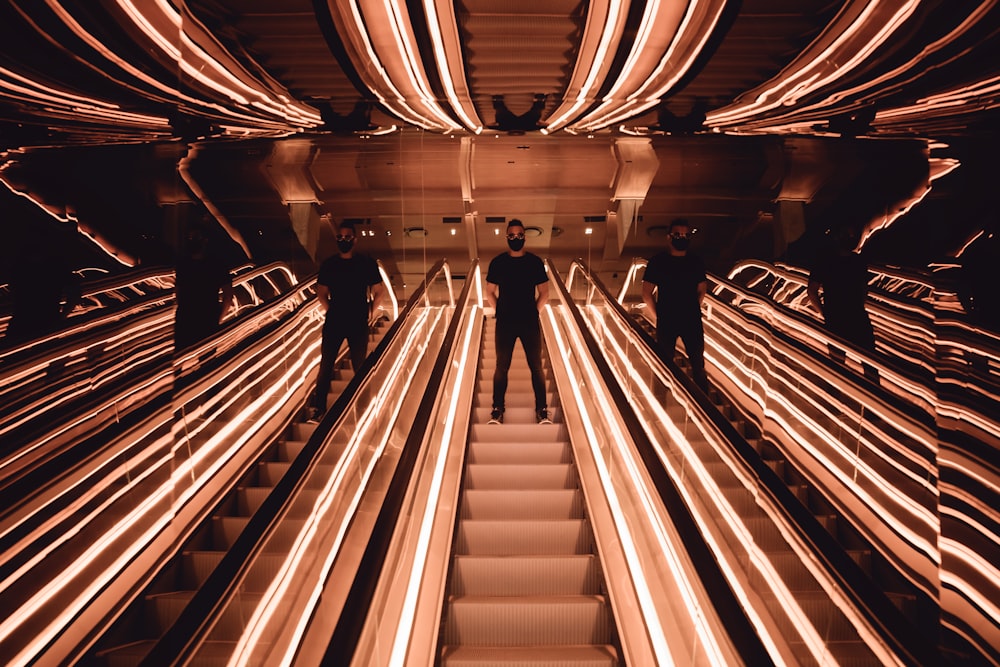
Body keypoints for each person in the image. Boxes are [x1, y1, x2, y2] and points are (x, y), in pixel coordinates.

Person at [308, 220, 385, 422]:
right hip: (335, 321)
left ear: (355, 239)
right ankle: (318, 408)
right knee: (326, 364)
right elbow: (322, 292)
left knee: (360, 366)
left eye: (347, 237)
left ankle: (364, 407)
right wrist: (331, 310)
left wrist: (369, 311)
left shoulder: (366, 263)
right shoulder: (329, 265)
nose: (343, 240)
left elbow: (379, 291)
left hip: (358, 320)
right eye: (340, 237)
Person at [486, 219, 551, 424]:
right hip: (505, 323)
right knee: (501, 366)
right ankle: (497, 409)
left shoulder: (534, 262)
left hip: (529, 322)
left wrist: (534, 312)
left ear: (525, 236)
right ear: (507, 237)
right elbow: (489, 292)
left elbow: (544, 292)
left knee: (536, 367)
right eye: (512, 235)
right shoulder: (498, 262)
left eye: (519, 235)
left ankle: (542, 410)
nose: (516, 238)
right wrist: (501, 311)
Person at [642, 218, 709, 390]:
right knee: (664, 364)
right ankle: (661, 400)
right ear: (669, 237)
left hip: (690, 319)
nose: (682, 237)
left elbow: (702, 289)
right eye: (678, 234)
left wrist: (693, 308)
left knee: (697, 364)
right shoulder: (658, 262)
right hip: (670, 319)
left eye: (686, 235)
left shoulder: (695, 262)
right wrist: (659, 316)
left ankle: (705, 406)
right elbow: (646, 293)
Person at [807, 226, 878, 379]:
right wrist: (858, 305)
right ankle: (873, 397)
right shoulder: (858, 261)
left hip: (836, 318)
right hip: (857, 316)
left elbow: (812, 291)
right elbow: (864, 290)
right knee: (870, 365)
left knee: (837, 367)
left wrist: (824, 312)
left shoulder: (825, 262)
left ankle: (837, 398)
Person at [174, 216, 234, 349]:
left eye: (194, 237)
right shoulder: (217, 265)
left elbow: (178, 293)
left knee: (180, 360)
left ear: (206, 240)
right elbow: (228, 297)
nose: (191, 240)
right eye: (189, 237)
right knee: (208, 365)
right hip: (206, 318)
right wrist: (217, 319)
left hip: (186, 319)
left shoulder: (183, 264)